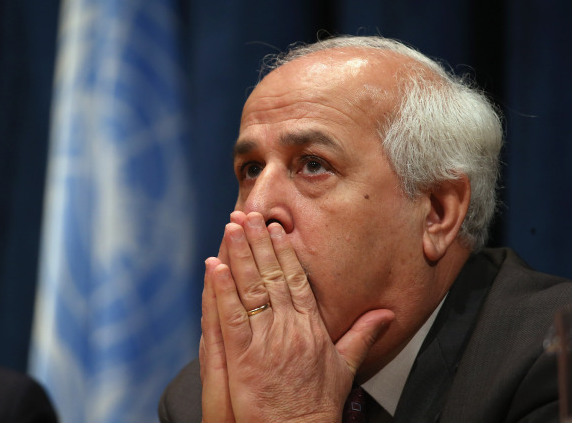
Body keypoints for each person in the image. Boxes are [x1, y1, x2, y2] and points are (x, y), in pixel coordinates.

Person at [159, 35, 572, 422]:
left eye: (313, 165)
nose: (257, 209)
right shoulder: (203, 396)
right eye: (251, 170)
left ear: (437, 212)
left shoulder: (555, 357)